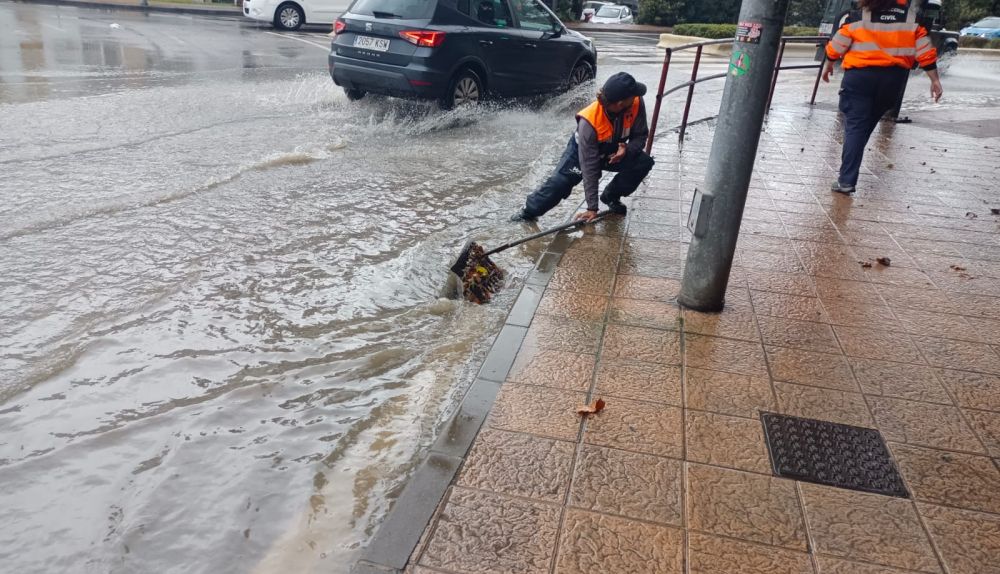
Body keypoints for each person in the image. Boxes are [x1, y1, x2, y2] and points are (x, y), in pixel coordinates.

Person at [822, 0, 943, 195]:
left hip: (859, 78)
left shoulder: (859, 15)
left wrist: (828, 65)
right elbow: (925, 52)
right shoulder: (911, 19)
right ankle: (847, 174)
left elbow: (837, 45)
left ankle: (846, 180)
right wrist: (935, 80)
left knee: (855, 127)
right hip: (892, 80)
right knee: (862, 127)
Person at [511, 72, 655, 223]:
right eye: (633, 96)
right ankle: (528, 212)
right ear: (620, 103)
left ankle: (610, 197)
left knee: (643, 163)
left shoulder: (636, 102)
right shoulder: (589, 122)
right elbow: (589, 167)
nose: (637, 97)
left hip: (614, 151)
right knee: (560, 183)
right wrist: (592, 208)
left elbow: (641, 135)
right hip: (580, 153)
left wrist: (628, 149)